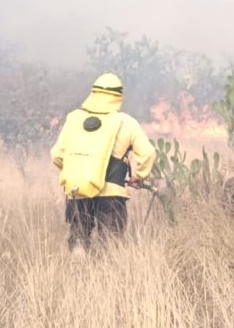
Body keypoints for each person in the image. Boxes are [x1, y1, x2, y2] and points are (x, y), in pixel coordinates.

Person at [49, 73, 156, 255]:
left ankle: (78, 277)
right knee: (111, 245)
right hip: (111, 195)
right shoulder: (126, 122)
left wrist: (76, 172)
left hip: (78, 190)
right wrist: (138, 176)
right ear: (118, 96)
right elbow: (147, 153)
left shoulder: (74, 118)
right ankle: (107, 281)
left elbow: (57, 154)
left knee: (79, 242)